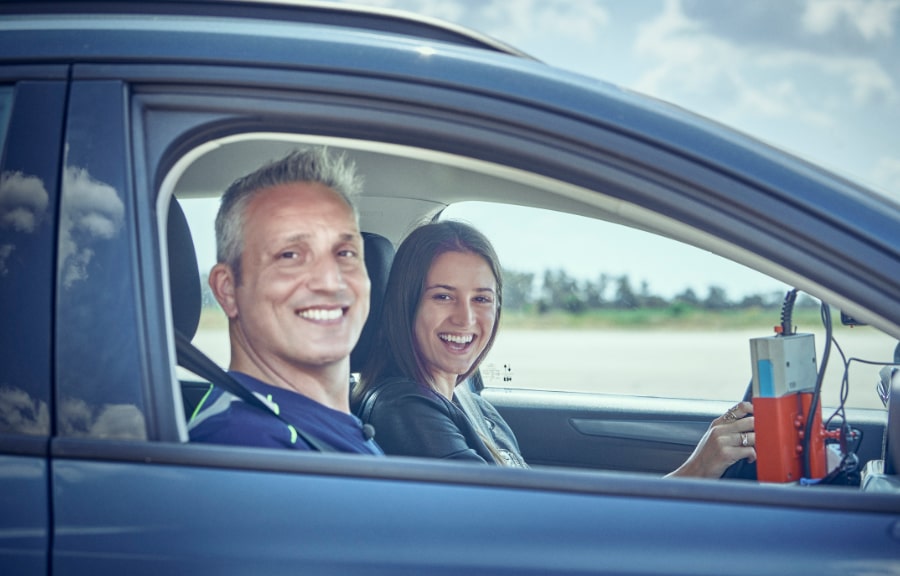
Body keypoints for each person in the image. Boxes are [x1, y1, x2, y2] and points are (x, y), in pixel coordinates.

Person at [353, 220, 756, 477]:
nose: (466, 319)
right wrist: (698, 470)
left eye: (482, 299)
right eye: (443, 297)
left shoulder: (461, 397)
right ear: (406, 303)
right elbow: (525, 528)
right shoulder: (404, 410)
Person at [189, 147, 381, 455]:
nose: (331, 281)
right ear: (227, 290)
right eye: (290, 255)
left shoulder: (312, 426)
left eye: (345, 253)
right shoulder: (241, 445)